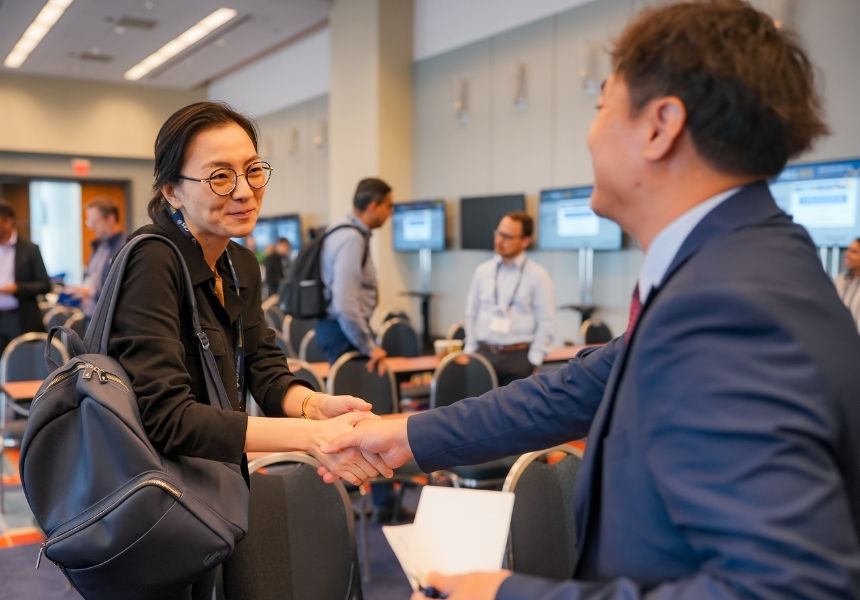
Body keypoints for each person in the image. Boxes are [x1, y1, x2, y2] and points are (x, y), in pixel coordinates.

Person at [323, 1, 860, 598]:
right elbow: (569, 391)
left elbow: (785, 590)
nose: (591, 130)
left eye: (602, 105)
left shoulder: (733, 305)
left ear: (660, 126)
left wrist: (505, 594)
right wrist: (405, 435)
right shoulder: (725, 269)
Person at [109, 101, 386, 599]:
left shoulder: (239, 262)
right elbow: (165, 418)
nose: (244, 190)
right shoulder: (152, 262)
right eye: (219, 177)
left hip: (216, 488)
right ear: (172, 190)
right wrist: (309, 435)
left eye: (253, 170)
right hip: (156, 503)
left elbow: (264, 367)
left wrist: (318, 405)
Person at [314, 176, 400, 522]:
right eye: (389, 206)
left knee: (361, 418)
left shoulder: (343, 233)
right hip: (346, 335)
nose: (390, 214)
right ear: (374, 204)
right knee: (364, 418)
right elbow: (347, 303)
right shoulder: (351, 239)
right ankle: (374, 499)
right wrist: (369, 345)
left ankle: (378, 499)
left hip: (340, 333)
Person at [463, 211, 555, 385]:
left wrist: (534, 360)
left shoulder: (538, 275)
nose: (499, 240)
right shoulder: (483, 271)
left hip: (518, 358)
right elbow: (471, 312)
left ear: (525, 241)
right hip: (483, 354)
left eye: (507, 236)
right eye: (498, 233)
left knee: (512, 412)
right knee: (480, 411)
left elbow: (546, 322)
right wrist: (471, 350)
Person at [0, 201, 51, 354]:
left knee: (20, 366)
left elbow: (45, 285)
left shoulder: (30, 249)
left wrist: (17, 288)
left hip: (21, 318)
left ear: (8, 221)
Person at [68, 197, 125, 319]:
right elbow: (93, 280)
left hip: (108, 320)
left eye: (94, 222)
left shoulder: (123, 247)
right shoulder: (98, 246)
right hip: (90, 315)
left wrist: (91, 292)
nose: (91, 227)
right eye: (89, 222)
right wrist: (81, 289)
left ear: (110, 219)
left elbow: (120, 290)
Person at [834, 237, 860, 333]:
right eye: (848, 250)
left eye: (854, 252)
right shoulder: (839, 280)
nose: (847, 255)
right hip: (838, 341)